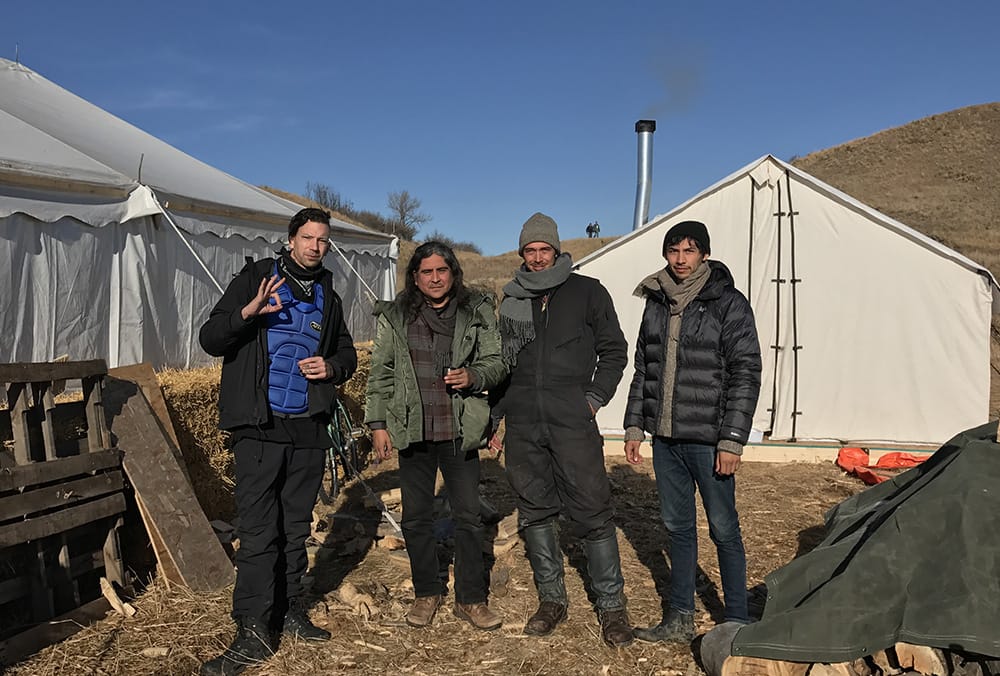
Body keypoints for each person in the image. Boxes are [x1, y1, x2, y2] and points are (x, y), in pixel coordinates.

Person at [198, 207, 358, 675]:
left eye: (323, 240)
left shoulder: (328, 293)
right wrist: (249, 312)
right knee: (257, 530)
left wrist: (332, 367)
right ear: (290, 240)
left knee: (294, 526)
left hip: (307, 427)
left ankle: (287, 610)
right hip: (259, 427)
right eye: (308, 238)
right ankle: (251, 627)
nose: (315, 246)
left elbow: (346, 351)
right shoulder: (255, 278)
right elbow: (211, 337)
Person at [494, 212, 633, 647]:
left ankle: (612, 607)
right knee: (535, 509)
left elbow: (615, 350)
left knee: (592, 508)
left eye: (543, 250)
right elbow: (500, 363)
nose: (537, 258)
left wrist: (593, 399)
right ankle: (552, 600)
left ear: (557, 251)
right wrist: (497, 415)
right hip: (524, 421)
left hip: (572, 418)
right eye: (530, 251)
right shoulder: (512, 299)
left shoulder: (587, 292)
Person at [623, 220, 762, 643]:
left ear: (704, 254)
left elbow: (746, 372)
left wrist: (732, 438)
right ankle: (680, 617)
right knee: (677, 527)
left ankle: (735, 617)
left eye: (689, 250)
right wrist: (634, 425)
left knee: (723, 527)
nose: (680, 259)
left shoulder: (727, 302)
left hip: (709, 440)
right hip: (666, 439)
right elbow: (643, 367)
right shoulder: (656, 301)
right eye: (673, 250)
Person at [365, 241, 507, 632]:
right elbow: (381, 372)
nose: (434, 278)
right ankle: (427, 592)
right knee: (416, 518)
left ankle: (471, 598)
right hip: (414, 429)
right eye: (426, 272)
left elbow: (497, 362)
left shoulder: (474, 311)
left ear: (453, 273)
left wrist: (474, 376)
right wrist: (377, 424)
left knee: (468, 517)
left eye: (441, 271)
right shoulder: (396, 316)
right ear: (415, 277)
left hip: (458, 429)